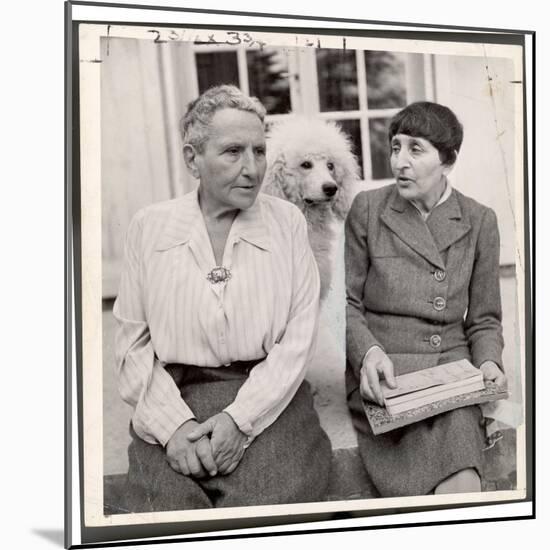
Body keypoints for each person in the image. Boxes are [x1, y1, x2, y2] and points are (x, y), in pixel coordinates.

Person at [113, 84, 331, 511]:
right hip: (175, 394)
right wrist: (172, 427)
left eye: (259, 151)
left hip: (269, 397)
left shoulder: (286, 222)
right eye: (233, 152)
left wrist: (239, 420)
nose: (252, 168)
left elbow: (299, 338)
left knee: (272, 504)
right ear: (192, 158)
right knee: (164, 509)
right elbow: (132, 344)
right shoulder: (150, 226)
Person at [345, 101, 507, 497]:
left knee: (461, 475)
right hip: (383, 373)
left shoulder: (479, 220)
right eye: (396, 146)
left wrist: (488, 361)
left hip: (450, 373)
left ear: (448, 161)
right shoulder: (368, 209)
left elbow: (485, 319)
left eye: (416, 149)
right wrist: (367, 354)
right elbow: (346, 305)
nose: (400, 161)